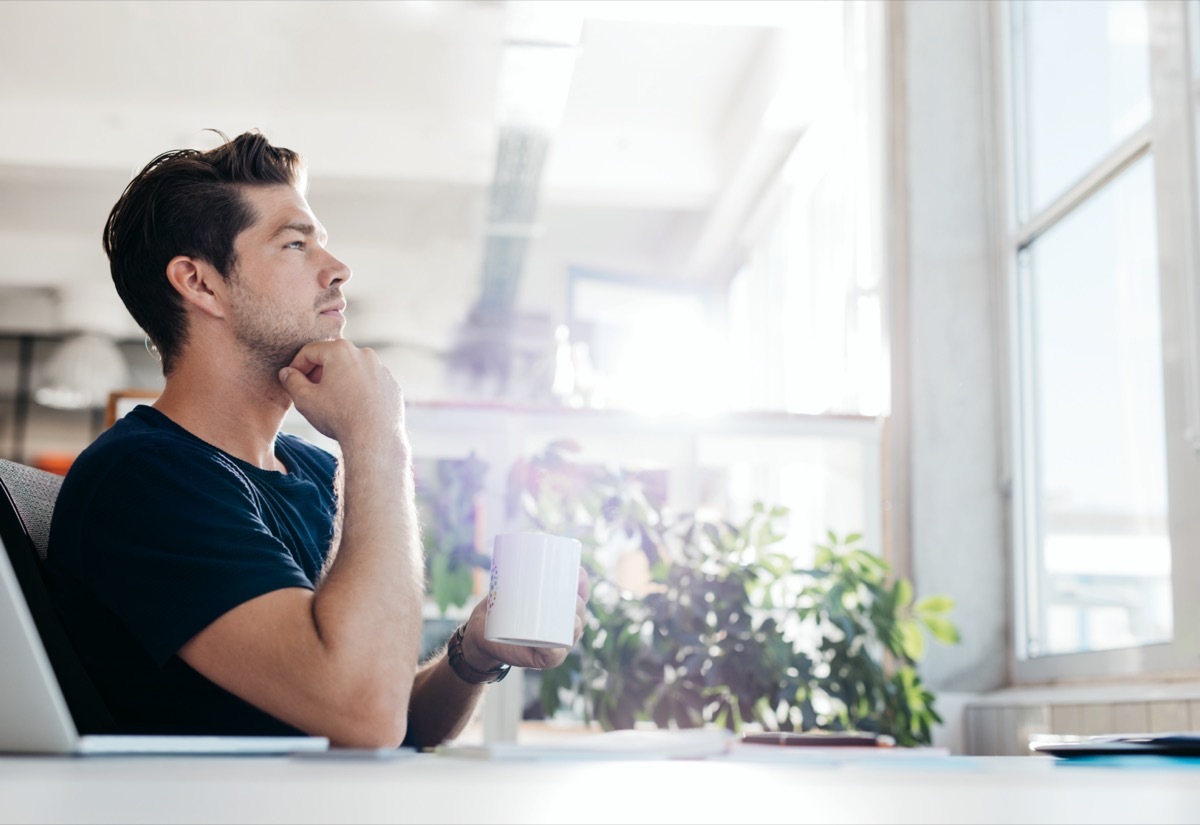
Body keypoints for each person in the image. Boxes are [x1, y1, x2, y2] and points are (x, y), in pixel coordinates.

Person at [45, 130, 589, 749]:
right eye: (296, 244)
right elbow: (364, 714)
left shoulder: (308, 468)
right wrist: (378, 436)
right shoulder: (143, 479)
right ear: (200, 284)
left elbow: (390, 712)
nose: (338, 270)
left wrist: (474, 654)